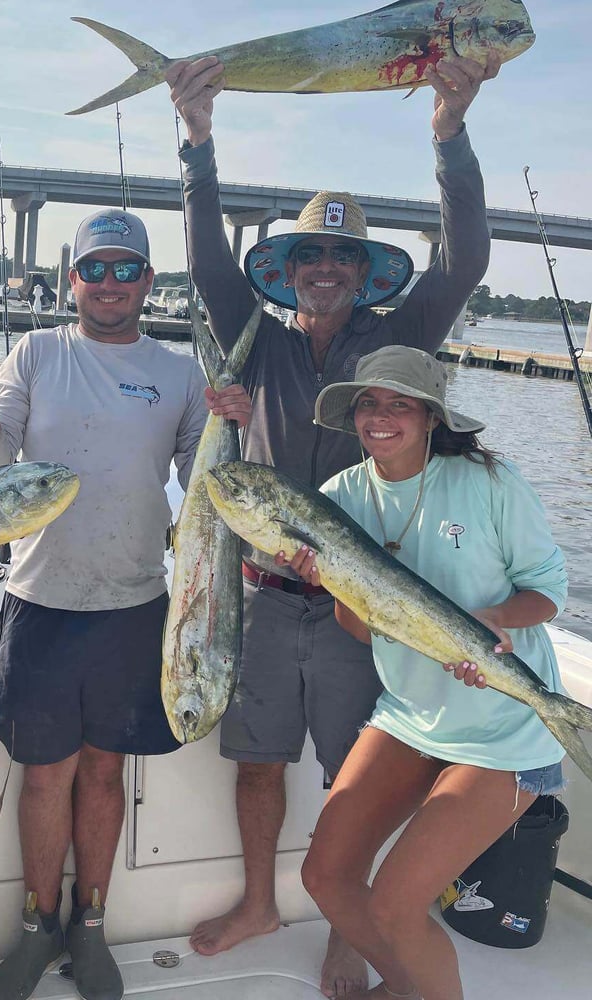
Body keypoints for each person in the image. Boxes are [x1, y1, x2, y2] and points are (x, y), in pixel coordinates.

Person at [166, 49, 500, 995]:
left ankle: (349, 929)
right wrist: (199, 144)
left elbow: (466, 259)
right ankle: (260, 900)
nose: (324, 268)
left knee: (370, 773)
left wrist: (450, 136)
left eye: (342, 256)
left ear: (364, 271)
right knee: (258, 761)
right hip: (263, 595)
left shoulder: (400, 343)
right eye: (309, 254)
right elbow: (200, 259)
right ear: (285, 270)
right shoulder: (254, 337)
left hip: (365, 599)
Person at [0, 208, 250, 1000]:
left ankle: (90, 922)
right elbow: (3, 456)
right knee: (44, 778)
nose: (112, 284)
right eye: (97, 269)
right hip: (39, 599)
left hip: (134, 604)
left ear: (150, 282)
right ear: (73, 279)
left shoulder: (183, 373)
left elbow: (203, 489)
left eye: (128, 270)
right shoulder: (36, 351)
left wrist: (236, 431)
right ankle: (34, 923)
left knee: (102, 774)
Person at [280, 344, 567, 1000]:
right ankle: (414, 990)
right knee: (325, 877)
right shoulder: (338, 498)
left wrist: (495, 620)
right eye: (369, 405)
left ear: (432, 417)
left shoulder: (489, 483)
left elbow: (550, 590)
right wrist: (333, 585)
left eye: (399, 404)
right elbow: (360, 630)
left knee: (394, 907)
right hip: (412, 712)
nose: (381, 417)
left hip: (504, 721)